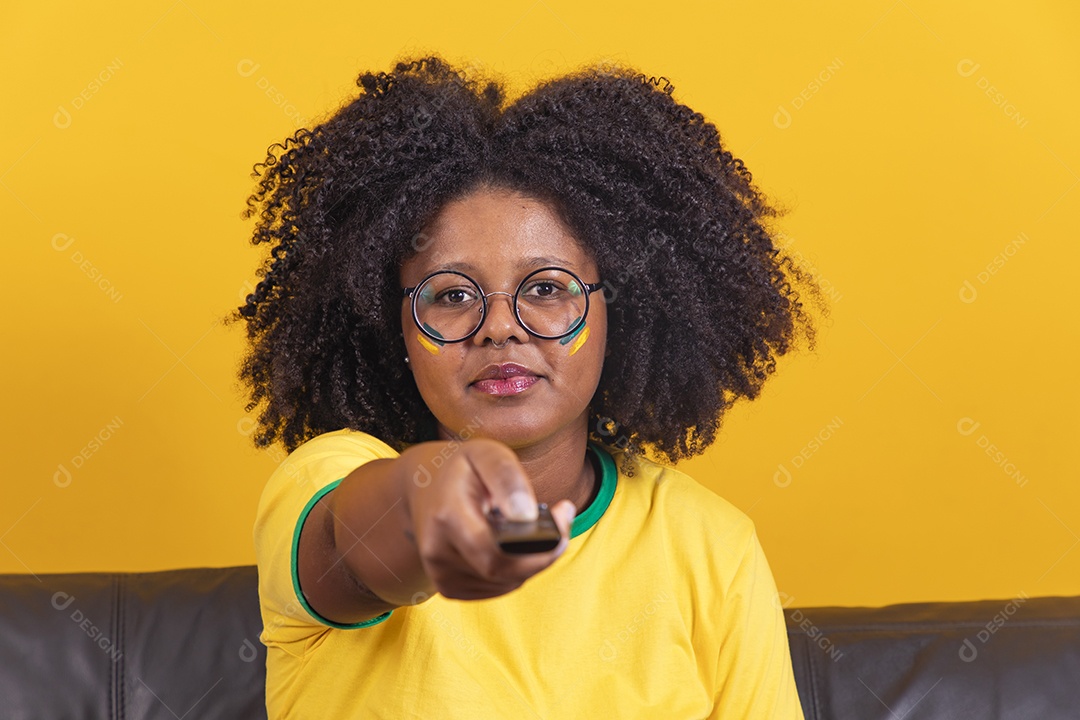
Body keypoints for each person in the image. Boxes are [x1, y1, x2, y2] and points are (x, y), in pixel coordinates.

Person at [231, 54, 822, 718]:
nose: (500, 329)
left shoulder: (710, 545)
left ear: (617, 310)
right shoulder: (325, 477)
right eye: (451, 295)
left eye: (546, 288)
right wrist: (432, 504)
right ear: (390, 325)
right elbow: (358, 539)